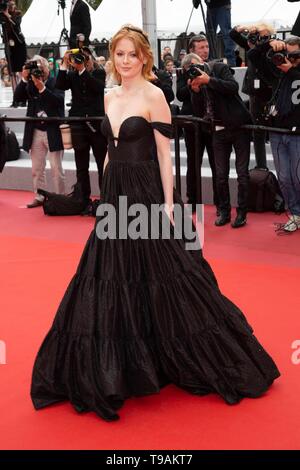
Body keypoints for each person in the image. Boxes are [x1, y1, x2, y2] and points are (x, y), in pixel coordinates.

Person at [31, 25, 280, 421]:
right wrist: (102, 194)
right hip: (115, 194)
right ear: (112, 58)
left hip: (148, 193)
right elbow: (111, 150)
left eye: (132, 54)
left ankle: (187, 355)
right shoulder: (109, 95)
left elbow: (165, 157)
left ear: (144, 57)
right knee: (113, 274)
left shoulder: (155, 96)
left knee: (169, 273)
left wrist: (168, 205)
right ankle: (128, 364)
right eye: (119, 54)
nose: (125, 61)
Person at [56, 47, 107, 202]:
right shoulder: (72, 75)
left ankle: (105, 198)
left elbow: (97, 87)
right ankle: (82, 198)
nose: (80, 61)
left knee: (101, 164)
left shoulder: (99, 73)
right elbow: (60, 84)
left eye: (84, 58)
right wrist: (64, 64)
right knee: (81, 164)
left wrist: (82, 70)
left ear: (90, 58)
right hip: (78, 125)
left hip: (96, 125)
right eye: (78, 58)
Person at [14, 55, 65, 208]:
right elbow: (18, 98)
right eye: (35, 69)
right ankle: (39, 196)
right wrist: (23, 79)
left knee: (56, 169)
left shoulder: (55, 82)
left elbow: (58, 101)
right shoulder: (30, 83)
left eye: (40, 69)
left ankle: (60, 198)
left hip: (52, 130)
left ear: (46, 69)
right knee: (37, 168)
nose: (38, 72)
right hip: (35, 130)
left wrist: (42, 87)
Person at [0, 0, 27, 92]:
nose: (10, 6)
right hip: (9, 45)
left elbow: (16, 24)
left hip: (19, 44)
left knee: (20, 69)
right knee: (11, 70)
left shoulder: (17, 14)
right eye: (9, 4)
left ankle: (22, 93)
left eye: (12, 4)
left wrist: (7, 15)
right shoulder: (2, 15)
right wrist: (3, 14)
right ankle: (15, 95)